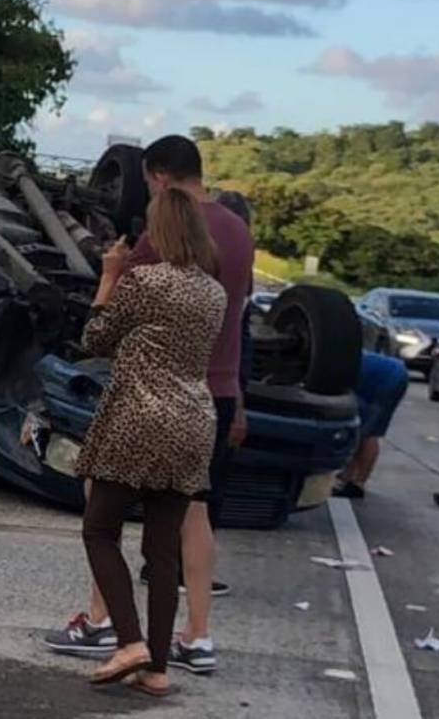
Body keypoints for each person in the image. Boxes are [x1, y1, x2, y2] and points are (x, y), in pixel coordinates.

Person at [45, 137, 254, 675]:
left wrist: (111, 273)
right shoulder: (239, 232)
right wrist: (239, 396)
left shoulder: (159, 239)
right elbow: (240, 320)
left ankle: (104, 620)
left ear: (159, 177)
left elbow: (105, 329)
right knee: (192, 516)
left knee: (101, 506)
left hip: (147, 399)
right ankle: (197, 637)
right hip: (212, 396)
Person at [77, 187, 226, 697]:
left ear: (158, 230)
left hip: (139, 421)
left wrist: (109, 276)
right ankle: (156, 668)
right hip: (193, 424)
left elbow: (95, 339)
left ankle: (128, 641)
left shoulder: (144, 281)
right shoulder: (214, 293)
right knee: (163, 552)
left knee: (100, 530)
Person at [332, 351, 409, 499]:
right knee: (361, 430)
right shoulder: (338, 359)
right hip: (391, 375)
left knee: (369, 433)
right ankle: (348, 476)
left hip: (387, 380)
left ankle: (358, 484)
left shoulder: (334, 368)